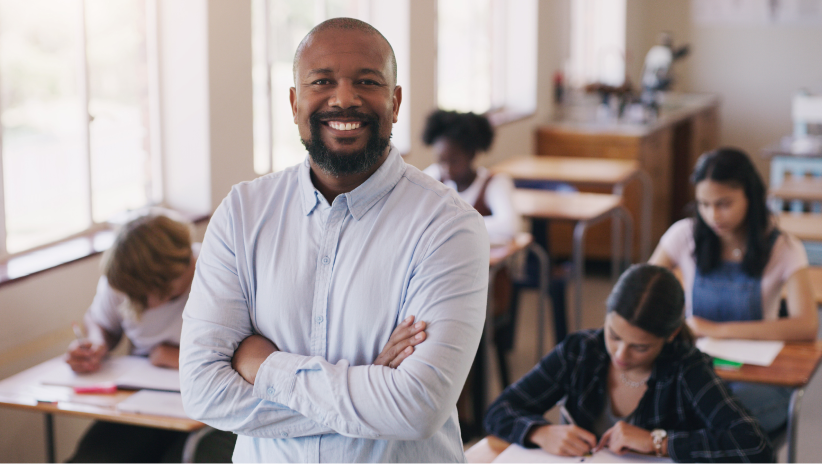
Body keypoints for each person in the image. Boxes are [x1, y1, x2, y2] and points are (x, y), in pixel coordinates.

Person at [179, 17, 489, 464]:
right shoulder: (242, 213)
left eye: (367, 81)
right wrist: (370, 388)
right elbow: (204, 391)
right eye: (322, 81)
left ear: (396, 101)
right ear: (294, 101)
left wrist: (264, 366)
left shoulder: (448, 225)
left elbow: (416, 407)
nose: (344, 99)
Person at [483, 264, 773, 463]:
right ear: (607, 316)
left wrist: (658, 442)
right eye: (614, 335)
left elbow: (755, 445)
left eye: (640, 347)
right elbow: (499, 410)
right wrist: (539, 432)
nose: (621, 354)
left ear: (670, 335)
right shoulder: (581, 350)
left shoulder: (687, 368)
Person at [649, 147, 818, 433]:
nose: (712, 214)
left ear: (750, 197)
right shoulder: (684, 235)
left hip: (760, 375)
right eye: (703, 204)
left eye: (724, 203)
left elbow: (806, 326)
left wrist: (716, 329)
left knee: (723, 416)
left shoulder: (784, 247)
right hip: (697, 366)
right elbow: (642, 294)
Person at [64, 213, 237, 464]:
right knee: (91, 458)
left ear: (173, 278)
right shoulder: (125, 278)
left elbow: (249, 361)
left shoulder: (221, 273)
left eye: (143, 296)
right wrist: (96, 343)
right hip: (145, 402)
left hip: (211, 405)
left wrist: (176, 358)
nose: (136, 302)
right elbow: (101, 322)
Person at [422, 109, 519, 244]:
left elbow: (509, 226)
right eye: (441, 161)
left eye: (454, 161)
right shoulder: (433, 176)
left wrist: (449, 225)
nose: (447, 168)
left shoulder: (494, 183)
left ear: (472, 155)